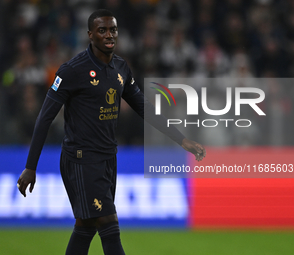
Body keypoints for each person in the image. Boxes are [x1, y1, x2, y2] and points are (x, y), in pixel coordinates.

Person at [17, 9, 206, 255]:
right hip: (81, 159)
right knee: (109, 223)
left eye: (113, 30)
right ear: (90, 35)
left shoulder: (120, 68)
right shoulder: (72, 71)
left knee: (86, 226)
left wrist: (181, 140)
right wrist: (31, 166)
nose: (109, 35)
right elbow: (44, 118)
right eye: (102, 30)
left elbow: (145, 108)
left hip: (107, 158)